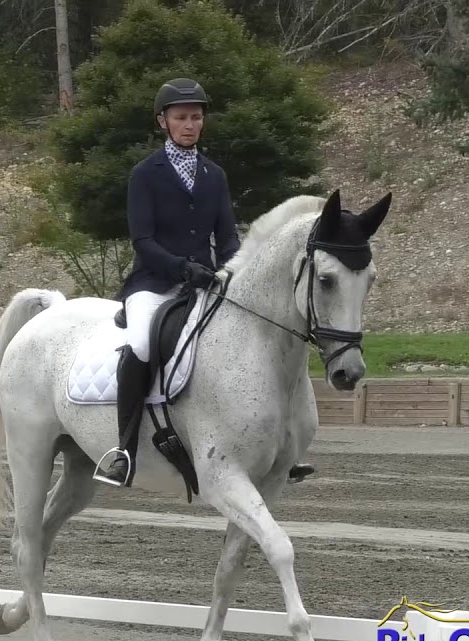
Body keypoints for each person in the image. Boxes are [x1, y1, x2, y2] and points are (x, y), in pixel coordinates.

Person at [92, 77, 315, 488]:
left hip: (205, 283)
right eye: (181, 117)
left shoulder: (214, 174)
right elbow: (143, 241)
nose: (190, 124)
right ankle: (124, 450)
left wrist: (234, 270)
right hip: (154, 283)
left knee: (256, 342)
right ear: (163, 121)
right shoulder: (145, 174)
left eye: (196, 117)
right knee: (141, 345)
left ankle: (283, 445)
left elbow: (227, 236)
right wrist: (181, 268)